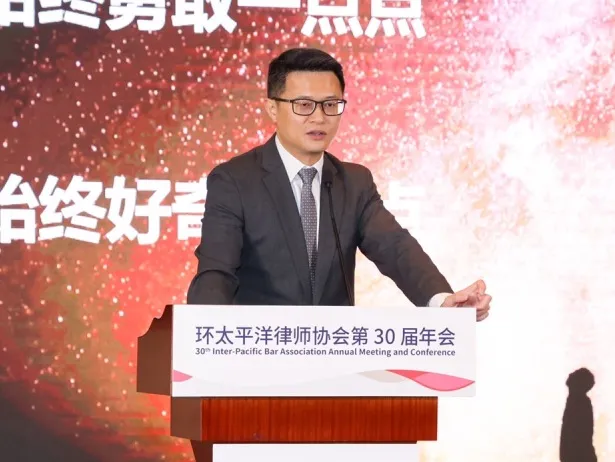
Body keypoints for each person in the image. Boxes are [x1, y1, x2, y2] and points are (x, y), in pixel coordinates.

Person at [186, 47, 491, 321]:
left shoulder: (354, 182)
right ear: (272, 109)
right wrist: (203, 330)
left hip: (334, 354)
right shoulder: (235, 180)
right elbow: (216, 271)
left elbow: (395, 248)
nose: (319, 117)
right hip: (259, 352)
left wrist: (441, 301)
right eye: (304, 104)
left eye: (331, 104)